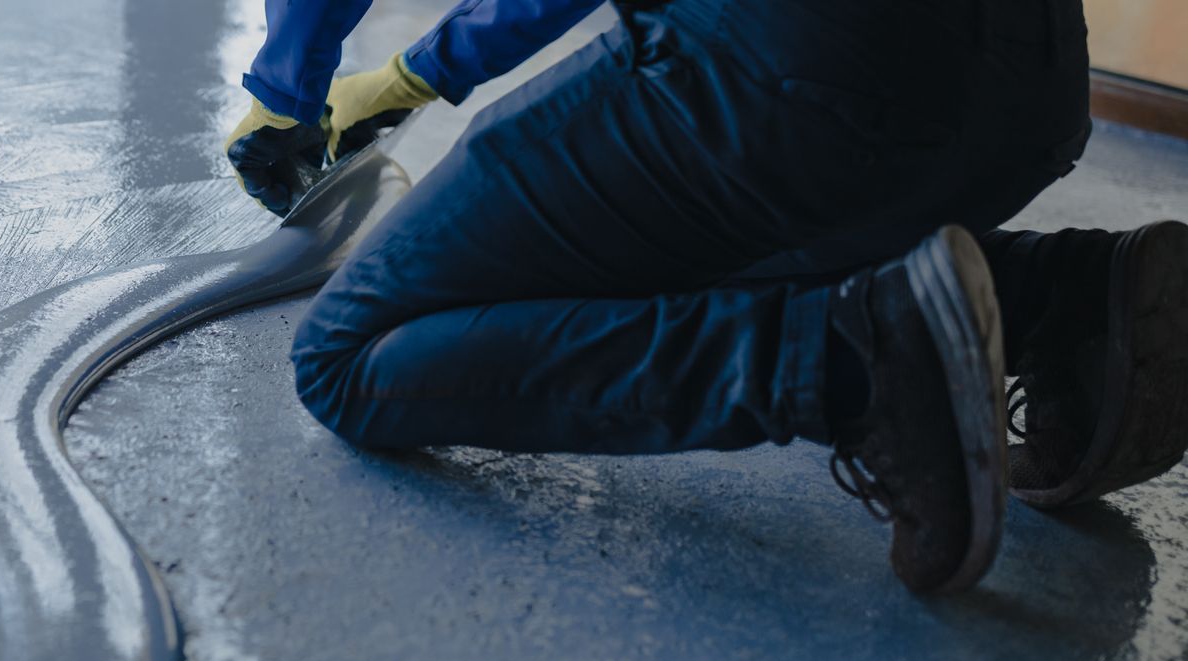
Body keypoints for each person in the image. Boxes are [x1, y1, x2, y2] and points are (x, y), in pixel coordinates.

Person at [223, 0, 1188, 594]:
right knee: (690, 241)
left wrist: (295, 82)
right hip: (1035, 97)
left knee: (345, 359)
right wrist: (413, 77)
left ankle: (852, 366)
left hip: (805, 68)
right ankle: (1059, 298)